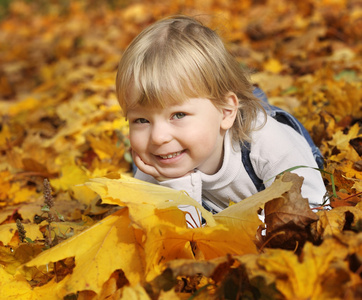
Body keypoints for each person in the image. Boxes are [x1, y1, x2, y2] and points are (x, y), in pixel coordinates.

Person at [115, 15, 326, 227]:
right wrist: (175, 186)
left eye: (178, 115)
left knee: (256, 110)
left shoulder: (270, 146)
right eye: (141, 120)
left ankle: (251, 98)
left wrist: (240, 232)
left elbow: (311, 214)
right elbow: (176, 240)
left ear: (225, 112)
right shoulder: (153, 164)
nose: (158, 137)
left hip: (256, 133)